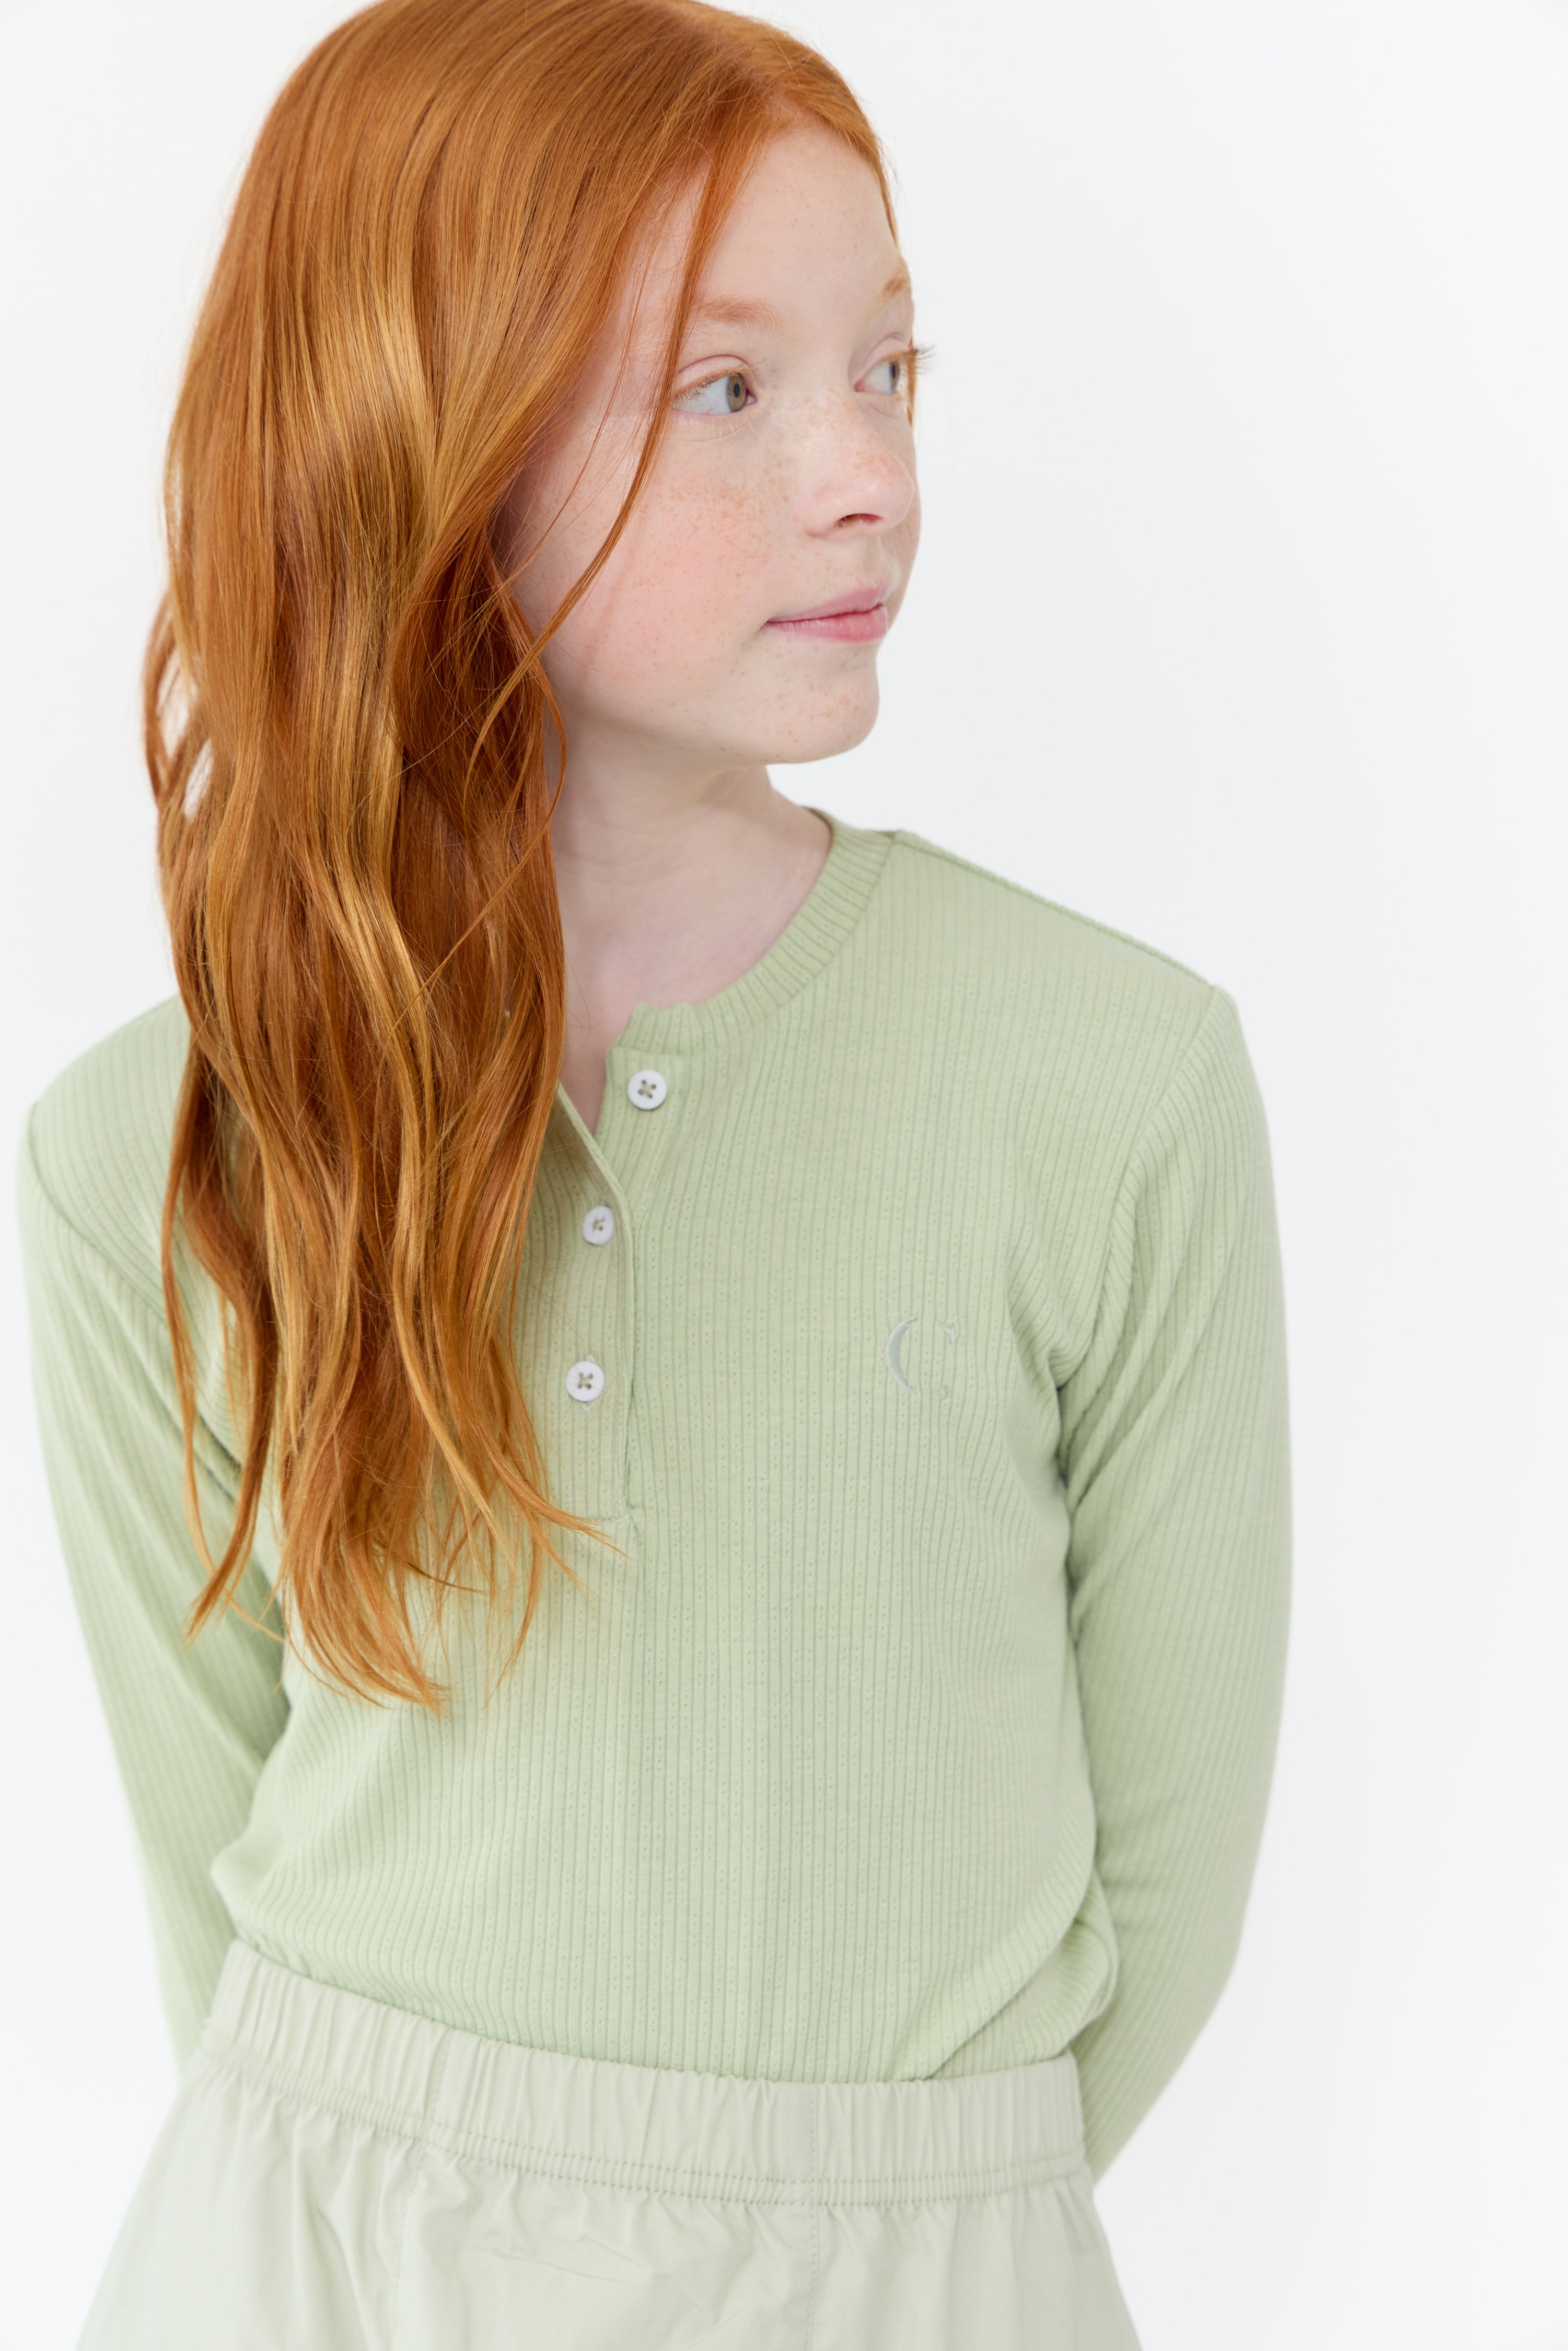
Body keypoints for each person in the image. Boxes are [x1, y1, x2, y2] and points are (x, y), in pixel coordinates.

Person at [15, 0, 1292, 2342]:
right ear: (429, 427)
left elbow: (1163, 1890)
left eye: (889, 367)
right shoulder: (161, 1145)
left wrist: (885, 2217)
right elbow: (213, 1881)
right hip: (309, 2265)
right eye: (728, 387)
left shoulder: (1108, 1082)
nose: (868, 474)